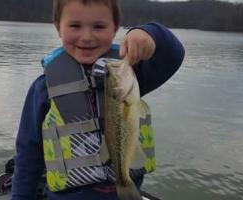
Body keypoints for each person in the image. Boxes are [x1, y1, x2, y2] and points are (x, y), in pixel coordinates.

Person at [11, 0, 185, 199]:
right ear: (58, 27)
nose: (87, 37)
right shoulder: (43, 89)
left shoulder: (130, 75)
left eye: (99, 27)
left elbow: (174, 54)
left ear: (115, 29)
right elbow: (27, 156)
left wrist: (150, 33)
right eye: (75, 26)